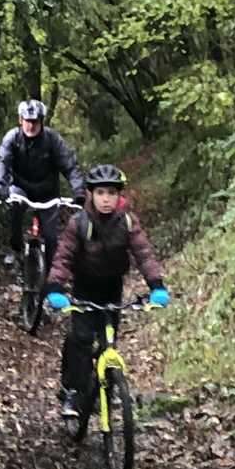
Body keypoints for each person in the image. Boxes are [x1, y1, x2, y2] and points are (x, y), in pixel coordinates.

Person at [45, 163, 169, 416]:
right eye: (100, 192)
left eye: (112, 193)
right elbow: (64, 257)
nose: (106, 199)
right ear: (90, 194)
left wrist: (156, 286)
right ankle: (73, 392)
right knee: (81, 339)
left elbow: (144, 254)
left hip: (112, 287)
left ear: (119, 195)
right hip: (84, 287)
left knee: (107, 343)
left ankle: (106, 389)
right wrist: (55, 287)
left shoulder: (127, 221)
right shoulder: (78, 223)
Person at [0, 98, 85, 270]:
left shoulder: (52, 139)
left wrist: (79, 191)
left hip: (47, 191)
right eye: (27, 121)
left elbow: (70, 165)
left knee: (50, 238)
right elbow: (2, 162)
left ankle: (49, 277)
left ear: (42, 121)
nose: (31, 125)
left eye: (35, 121)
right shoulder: (13, 138)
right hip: (21, 187)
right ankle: (15, 249)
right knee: (14, 206)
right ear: (20, 120)